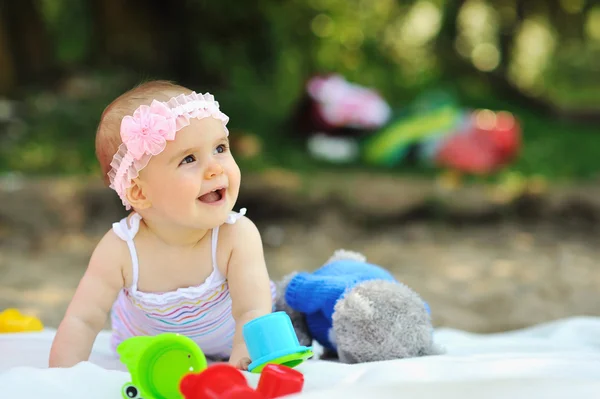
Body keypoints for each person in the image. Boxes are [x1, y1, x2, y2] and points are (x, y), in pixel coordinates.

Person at [49, 80, 276, 369]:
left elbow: (252, 312)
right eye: (189, 159)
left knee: (282, 323)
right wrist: (59, 378)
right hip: (155, 351)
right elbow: (83, 319)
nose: (216, 167)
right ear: (140, 193)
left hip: (231, 341)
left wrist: (239, 366)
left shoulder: (236, 235)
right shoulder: (120, 249)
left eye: (220, 148)